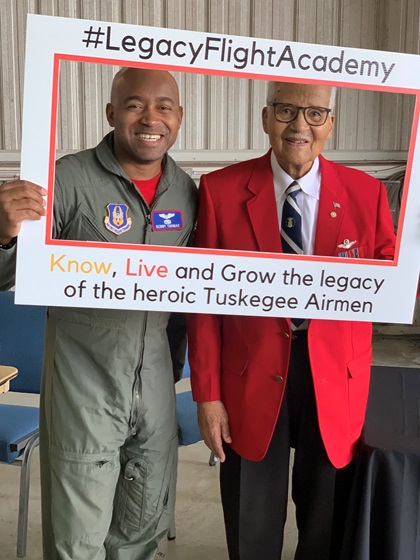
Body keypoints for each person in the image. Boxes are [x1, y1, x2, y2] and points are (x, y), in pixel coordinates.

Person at [187, 81, 396, 560]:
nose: (300, 125)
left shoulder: (365, 193)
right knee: (251, 517)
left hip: (334, 375)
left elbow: (392, 281)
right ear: (265, 119)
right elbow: (203, 304)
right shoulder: (220, 190)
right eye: (286, 111)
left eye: (315, 114)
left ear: (331, 125)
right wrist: (208, 395)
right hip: (248, 376)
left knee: (326, 518)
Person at [0, 67, 197, 560]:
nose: (150, 117)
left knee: (143, 531)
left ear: (180, 118)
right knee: (77, 542)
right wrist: (3, 233)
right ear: (111, 114)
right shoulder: (63, 181)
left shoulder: (188, 194)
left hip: (155, 387)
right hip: (83, 388)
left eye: (164, 106)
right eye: (134, 105)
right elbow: (6, 274)